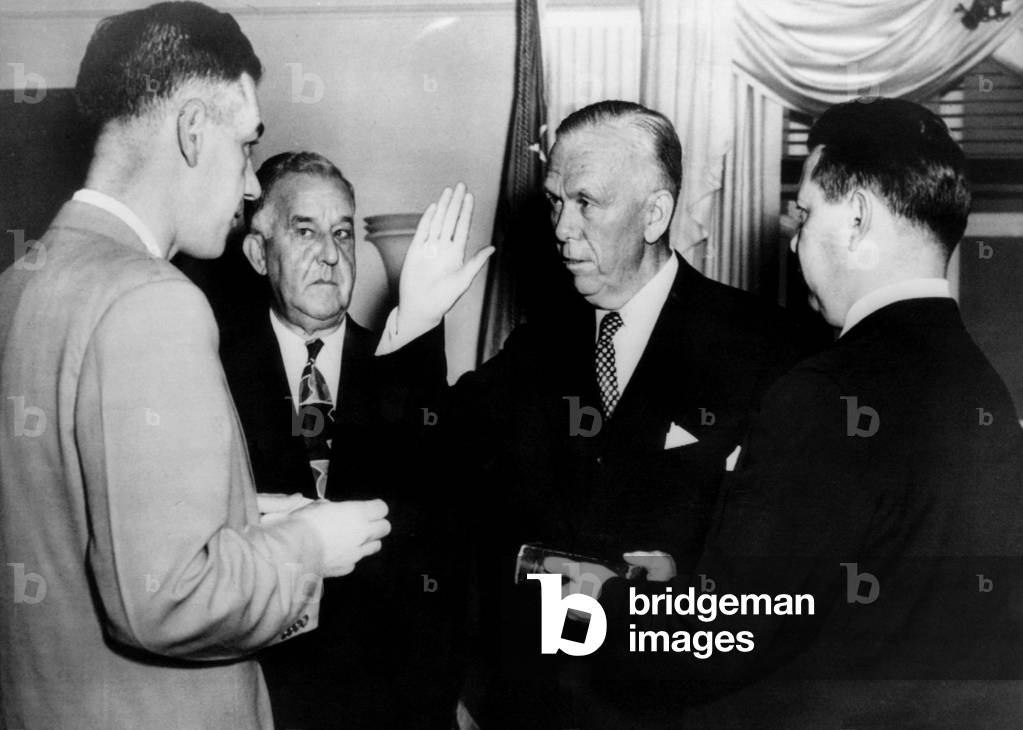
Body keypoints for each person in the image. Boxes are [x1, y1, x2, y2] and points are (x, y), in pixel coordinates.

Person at [558, 98, 1023, 728]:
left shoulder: (825, 391)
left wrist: (586, 595)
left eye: (805, 212)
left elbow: (720, 639)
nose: (793, 233)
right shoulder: (984, 389)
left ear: (856, 218)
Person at [0, 4, 393, 728]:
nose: (249, 187)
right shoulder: (153, 299)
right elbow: (165, 601)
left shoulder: (22, 280)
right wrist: (308, 546)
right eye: (246, 147)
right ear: (190, 130)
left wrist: (248, 518)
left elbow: (75, 520)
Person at [389, 100, 819, 727]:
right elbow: (429, 464)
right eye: (556, 201)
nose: (562, 228)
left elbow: (777, 598)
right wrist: (420, 320)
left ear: (655, 213)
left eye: (586, 202)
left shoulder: (767, 350)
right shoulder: (537, 348)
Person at [222, 152, 479, 728]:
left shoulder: (401, 360)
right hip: (262, 703)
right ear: (260, 253)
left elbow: (442, 540)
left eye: (342, 233)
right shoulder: (209, 370)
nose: (331, 254)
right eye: (305, 230)